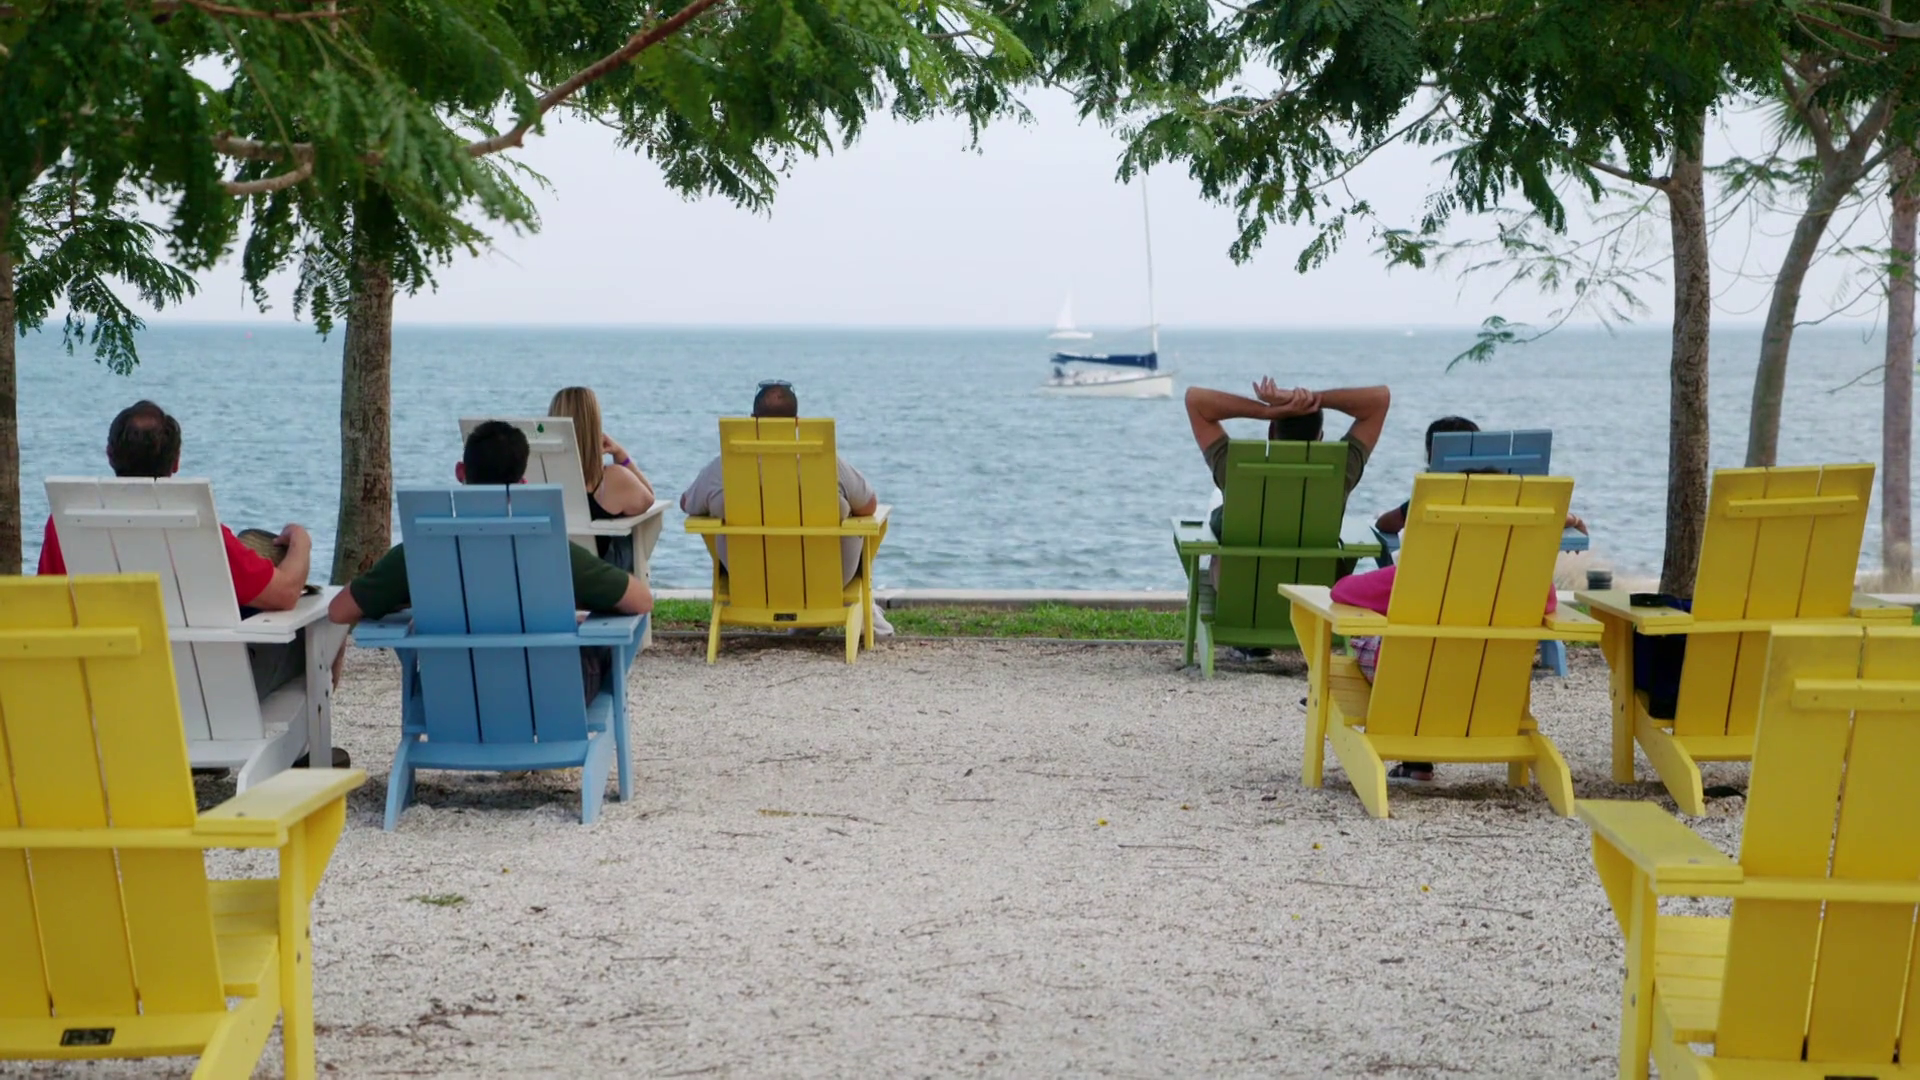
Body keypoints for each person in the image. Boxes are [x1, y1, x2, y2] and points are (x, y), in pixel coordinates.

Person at [328, 421, 652, 704]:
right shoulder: (549, 550)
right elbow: (641, 600)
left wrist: (417, 600)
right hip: (552, 699)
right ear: (522, 485)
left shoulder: (419, 553)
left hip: (452, 697)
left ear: (461, 472)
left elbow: (339, 611)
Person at [37, 400, 331, 707]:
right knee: (316, 636)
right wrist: (301, 540)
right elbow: (285, 593)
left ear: (109, 454)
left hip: (100, 691)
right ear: (176, 462)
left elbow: (49, 608)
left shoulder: (64, 525)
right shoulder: (196, 527)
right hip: (202, 697)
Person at [1334, 467, 1562, 785]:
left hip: (1418, 683)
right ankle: (1416, 762)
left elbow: (1343, 592)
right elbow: (1550, 603)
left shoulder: (1422, 569)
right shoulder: (1529, 580)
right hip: (1488, 688)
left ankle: (1412, 753)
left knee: (1375, 640)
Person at [679, 380, 892, 637]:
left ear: (753, 420)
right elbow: (869, 505)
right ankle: (860, 611)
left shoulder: (721, 469)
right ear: (796, 422)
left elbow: (686, 504)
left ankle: (821, 620)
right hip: (828, 581)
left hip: (751, 580)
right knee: (861, 525)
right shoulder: (828, 465)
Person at [1184, 377, 1392, 518]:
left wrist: (1266, 412)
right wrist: (1313, 399)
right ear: (1320, 437)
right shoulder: (1342, 471)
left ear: (1271, 433)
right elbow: (1380, 400)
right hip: (1314, 573)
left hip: (1242, 572)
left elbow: (1195, 400)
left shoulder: (1233, 469)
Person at [1375, 416, 1587, 537]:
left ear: (1432, 456)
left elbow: (1384, 524)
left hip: (1439, 587)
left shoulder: (1430, 499)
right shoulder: (1511, 499)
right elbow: (1550, 517)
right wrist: (1575, 520)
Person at [547, 386, 654, 566]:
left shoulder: (539, 475)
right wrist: (621, 455)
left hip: (552, 564)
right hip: (597, 572)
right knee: (628, 538)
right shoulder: (612, 479)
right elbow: (648, 498)